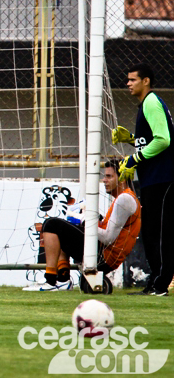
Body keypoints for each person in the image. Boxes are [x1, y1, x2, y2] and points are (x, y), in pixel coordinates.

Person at [23, 160, 141, 292]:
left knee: (52, 225)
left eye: (109, 176)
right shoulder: (124, 198)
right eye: (104, 176)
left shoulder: (124, 199)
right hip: (103, 253)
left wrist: (84, 220)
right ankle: (62, 280)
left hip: (104, 257)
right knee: (61, 228)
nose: (104, 180)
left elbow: (108, 238)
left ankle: (50, 281)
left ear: (122, 179)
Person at [113, 63, 174, 296]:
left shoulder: (151, 102)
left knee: (158, 233)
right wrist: (131, 139)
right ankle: (155, 284)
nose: (128, 83)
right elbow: (152, 141)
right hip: (153, 179)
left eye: (133, 79)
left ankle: (160, 285)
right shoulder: (146, 105)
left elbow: (163, 139)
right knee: (150, 232)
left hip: (163, 178)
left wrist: (133, 158)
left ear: (146, 81)